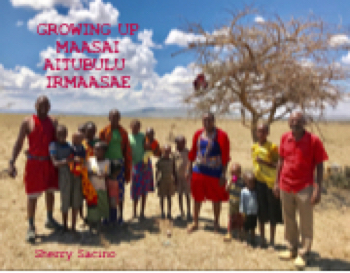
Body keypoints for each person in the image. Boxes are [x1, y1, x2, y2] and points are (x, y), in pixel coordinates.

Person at [274, 111, 328, 269]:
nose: (294, 123)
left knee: (306, 221)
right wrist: (276, 182)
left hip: (305, 186)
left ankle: (303, 253)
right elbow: (280, 160)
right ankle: (291, 248)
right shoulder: (285, 137)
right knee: (288, 218)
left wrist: (318, 188)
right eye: (291, 120)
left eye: (298, 120)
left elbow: (319, 164)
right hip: (285, 184)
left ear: (304, 122)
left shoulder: (313, 140)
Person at [8, 96, 60, 243]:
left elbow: (58, 142)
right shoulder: (27, 122)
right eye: (40, 104)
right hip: (34, 164)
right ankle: (31, 226)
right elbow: (19, 142)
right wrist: (12, 161)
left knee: (50, 192)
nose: (43, 107)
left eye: (46, 104)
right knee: (32, 196)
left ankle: (49, 219)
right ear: (35, 105)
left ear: (49, 107)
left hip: (49, 163)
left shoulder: (53, 121)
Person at [186, 112, 230, 233]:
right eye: (204, 120)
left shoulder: (222, 135)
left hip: (215, 171)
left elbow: (225, 157)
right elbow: (193, 152)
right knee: (197, 196)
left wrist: (223, 174)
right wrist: (188, 168)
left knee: (216, 198)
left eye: (209, 120)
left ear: (213, 121)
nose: (206, 122)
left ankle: (216, 222)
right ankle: (195, 222)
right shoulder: (198, 134)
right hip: (199, 170)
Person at [252, 123, 283, 248]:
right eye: (259, 131)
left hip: (270, 183)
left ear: (268, 133)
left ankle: (272, 241)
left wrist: (264, 162)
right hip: (259, 182)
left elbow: (279, 165)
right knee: (261, 211)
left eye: (264, 131)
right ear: (256, 133)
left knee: (272, 212)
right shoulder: (253, 147)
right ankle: (262, 240)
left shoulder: (273, 147)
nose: (261, 134)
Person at [99, 109, 132, 225]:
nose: (114, 119)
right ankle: (106, 217)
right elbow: (100, 149)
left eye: (117, 117)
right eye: (112, 117)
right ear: (109, 118)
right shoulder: (103, 131)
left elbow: (127, 150)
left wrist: (127, 165)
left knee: (120, 190)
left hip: (119, 164)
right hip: (106, 163)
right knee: (106, 190)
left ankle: (120, 216)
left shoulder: (123, 132)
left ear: (119, 118)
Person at [49, 125, 82, 233]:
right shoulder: (53, 146)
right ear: (55, 135)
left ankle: (73, 226)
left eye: (63, 134)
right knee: (65, 201)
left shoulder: (70, 146)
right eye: (59, 134)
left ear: (67, 135)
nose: (61, 136)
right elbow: (55, 163)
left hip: (75, 175)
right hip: (64, 176)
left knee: (75, 200)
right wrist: (69, 161)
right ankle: (64, 226)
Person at [129, 119, 154, 219]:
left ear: (140, 127)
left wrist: (145, 161)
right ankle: (134, 212)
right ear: (130, 126)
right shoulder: (128, 137)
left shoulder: (143, 136)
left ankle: (142, 212)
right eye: (133, 126)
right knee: (135, 189)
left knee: (144, 190)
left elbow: (149, 149)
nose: (135, 128)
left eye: (137, 126)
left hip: (145, 164)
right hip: (135, 166)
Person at [86, 141, 110, 233]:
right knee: (92, 207)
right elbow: (87, 172)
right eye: (95, 149)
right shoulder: (90, 160)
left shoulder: (107, 162)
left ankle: (99, 224)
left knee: (101, 205)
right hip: (92, 189)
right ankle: (91, 224)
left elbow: (107, 173)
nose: (95, 151)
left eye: (98, 150)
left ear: (104, 151)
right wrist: (95, 173)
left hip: (102, 188)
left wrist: (103, 174)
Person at [224, 163, 245, 242]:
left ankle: (240, 232)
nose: (233, 175)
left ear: (239, 173)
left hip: (239, 203)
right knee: (230, 218)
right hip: (231, 203)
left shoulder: (242, 182)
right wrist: (229, 183)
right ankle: (229, 232)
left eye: (234, 173)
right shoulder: (230, 180)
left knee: (240, 218)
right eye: (231, 173)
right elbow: (226, 190)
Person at [156, 145, 176, 219]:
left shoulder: (171, 161)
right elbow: (157, 171)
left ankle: (169, 212)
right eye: (165, 152)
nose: (166, 154)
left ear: (170, 152)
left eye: (168, 152)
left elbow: (174, 171)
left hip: (170, 181)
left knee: (169, 197)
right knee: (162, 197)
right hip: (162, 181)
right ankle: (162, 212)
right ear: (162, 152)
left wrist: (175, 180)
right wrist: (157, 180)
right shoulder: (160, 161)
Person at [174, 135, 191, 221]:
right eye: (179, 143)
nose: (181, 145)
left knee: (187, 194)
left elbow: (190, 162)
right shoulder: (175, 153)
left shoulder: (188, 152)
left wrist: (188, 171)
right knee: (179, 195)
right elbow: (173, 165)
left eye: (183, 143)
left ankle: (189, 212)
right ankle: (181, 212)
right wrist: (174, 177)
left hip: (186, 178)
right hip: (178, 178)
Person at [70, 131, 86, 223]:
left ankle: (81, 214)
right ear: (73, 139)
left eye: (81, 138)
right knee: (76, 195)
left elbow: (83, 159)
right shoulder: (71, 148)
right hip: (74, 173)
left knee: (81, 195)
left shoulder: (82, 147)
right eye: (77, 138)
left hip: (82, 173)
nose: (79, 139)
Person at [240, 171, 258, 246]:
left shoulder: (256, 192)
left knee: (253, 227)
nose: (251, 184)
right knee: (245, 227)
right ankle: (245, 240)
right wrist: (242, 212)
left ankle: (253, 240)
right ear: (245, 182)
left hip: (254, 213)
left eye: (253, 183)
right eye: (249, 183)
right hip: (246, 213)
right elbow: (242, 203)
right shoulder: (244, 191)